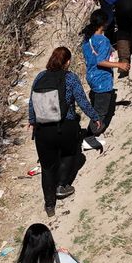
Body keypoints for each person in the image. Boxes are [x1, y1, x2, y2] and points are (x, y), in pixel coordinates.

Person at [28, 46, 97, 217]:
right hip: (66, 126)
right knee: (69, 153)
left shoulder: (40, 77)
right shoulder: (70, 78)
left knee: (47, 167)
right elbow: (82, 100)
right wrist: (95, 116)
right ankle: (62, 185)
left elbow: (32, 102)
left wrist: (32, 121)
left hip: (43, 130)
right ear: (67, 62)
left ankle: (49, 205)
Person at [80, 8, 122, 138]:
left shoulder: (88, 40)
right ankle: (90, 135)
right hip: (101, 78)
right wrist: (120, 64)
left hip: (91, 76)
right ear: (104, 24)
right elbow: (101, 61)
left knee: (97, 105)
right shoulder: (103, 41)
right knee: (101, 112)